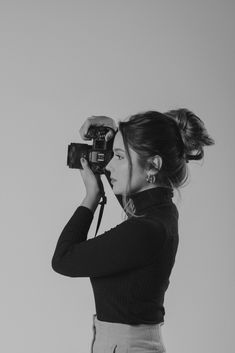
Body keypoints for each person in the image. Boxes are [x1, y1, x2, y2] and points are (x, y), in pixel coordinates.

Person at [51, 109, 215, 352]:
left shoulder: (146, 229)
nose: (108, 165)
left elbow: (63, 259)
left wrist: (91, 197)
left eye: (118, 156)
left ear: (153, 165)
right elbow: (135, 207)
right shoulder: (160, 213)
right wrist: (116, 135)